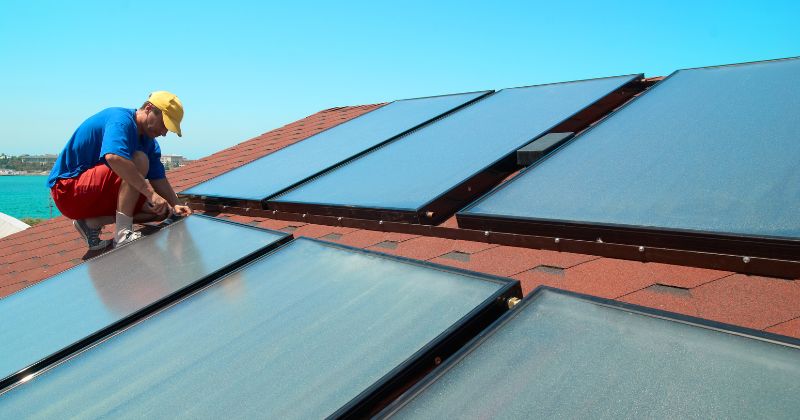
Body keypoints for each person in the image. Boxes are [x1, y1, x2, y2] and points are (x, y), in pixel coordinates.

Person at [47, 91, 192, 250]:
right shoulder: (120, 120)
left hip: (92, 195)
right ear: (149, 108)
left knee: (162, 211)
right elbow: (113, 158)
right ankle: (123, 234)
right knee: (140, 160)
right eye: (164, 124)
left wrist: (176, 204)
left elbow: (158, 179)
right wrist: (151, 194)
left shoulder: (149, 142)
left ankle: (90, 224)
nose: (164, 133)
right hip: (68, 192)